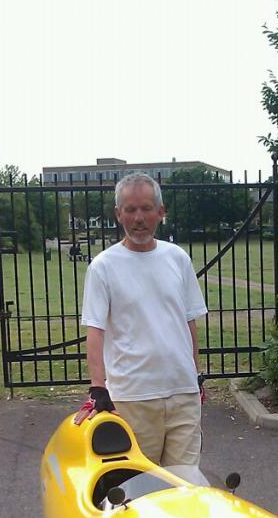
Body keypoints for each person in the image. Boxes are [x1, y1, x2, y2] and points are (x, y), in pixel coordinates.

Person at [75, 172, 208, 467]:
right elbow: (94, 330)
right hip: (132, 399)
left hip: (182, 395)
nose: (139, 218)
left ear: (160, 212)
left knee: (183, 489)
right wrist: (98, 388)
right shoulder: (103, 267)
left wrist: (195, 376)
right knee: (137, 492)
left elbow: (189, 322)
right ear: (118, 214)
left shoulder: (177, 259)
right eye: (131, 209)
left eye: (146, 208)